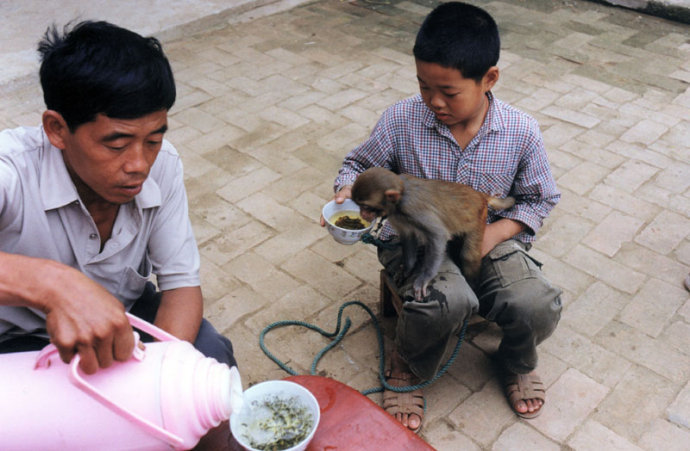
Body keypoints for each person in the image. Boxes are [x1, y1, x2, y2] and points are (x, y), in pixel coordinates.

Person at [321, 2, 562, 432]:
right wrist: (346, 191)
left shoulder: (520, 131)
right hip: (414, 239)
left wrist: (494, 235)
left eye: (448, 92)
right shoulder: (401, 119)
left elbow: (539, 199)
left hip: (485, 235)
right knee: (443, 300)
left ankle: (516, 359)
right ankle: (408, 363)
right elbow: (356, 165)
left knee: (536, 301)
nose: (434, 101)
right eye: (422, 85)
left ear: (488, 79)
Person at [0, 21, 236, 375]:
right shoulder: (12, 171)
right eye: (116, 144)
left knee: (209, 356)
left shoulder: (165, 164)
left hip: (122, 319)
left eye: (153, 140)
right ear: (57, 130)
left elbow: (180, 285)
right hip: (15, 341)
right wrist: (53, 285)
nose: (139, 165)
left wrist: (159, 381)